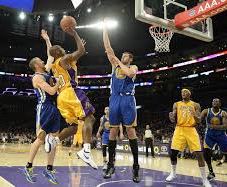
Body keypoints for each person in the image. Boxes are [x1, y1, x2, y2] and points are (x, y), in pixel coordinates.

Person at [42, 27, 97, 169]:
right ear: (59, 52)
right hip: (71, 92)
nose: (64, 49)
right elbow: (81, 51)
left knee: (73, 127)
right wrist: (75, 34)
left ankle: (54, 140)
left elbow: (77, 53)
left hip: (62, 98)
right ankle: (86, 151)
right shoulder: (64, 59)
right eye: (61, 48)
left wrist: (79, 45)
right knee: (90, 118)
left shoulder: (55, 66)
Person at [102, 23, 140, 182]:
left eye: (125, 56)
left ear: (129, 59)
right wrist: (105, 29)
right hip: (115, 99)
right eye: (122, 55)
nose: (122, 56)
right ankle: (111, 164)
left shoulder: (133, 67)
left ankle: (136, 166)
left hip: (127, 100)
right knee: (112, 131)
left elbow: (129, 73)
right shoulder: (114, 66)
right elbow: (108, 48)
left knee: (131, 132)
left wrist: (119, 61)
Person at [23, 56, 60, 184]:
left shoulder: (45, 72)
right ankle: (28, 167)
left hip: (54, 108)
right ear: (36, 65)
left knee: (54, 140)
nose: (43, 61)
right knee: (41, 138)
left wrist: (47, 39)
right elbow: (51, 91)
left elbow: (50, 56)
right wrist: (59, 83)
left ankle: (49, 169)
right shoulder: (37, 77)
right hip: (44, 108)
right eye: (40, 61)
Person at [167, 89, 211, 187]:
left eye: (185, 92)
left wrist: (194, 114)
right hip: (179, 128)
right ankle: (173, 173)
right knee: (173, 153)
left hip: (191, 129)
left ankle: (204, 180)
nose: (183, 93)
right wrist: (172, 117)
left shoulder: (196, 105)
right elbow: (173, 118)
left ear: (190, 94)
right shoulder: (176, 104)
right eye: (182, 92)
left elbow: (199, 121)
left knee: (199, 154)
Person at [201, 98, 227, 183]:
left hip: (221, 135)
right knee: (206, 153)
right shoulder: (206, 111)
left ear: (220, 104)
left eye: (217, 101)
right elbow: (199, 120)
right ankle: (211, 172)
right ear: (211, 103)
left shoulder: (223, 113)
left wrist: (213, 127)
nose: (215, 102)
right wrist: (195, 115)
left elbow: (225, 126)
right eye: (213, 101)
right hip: (210, 135)